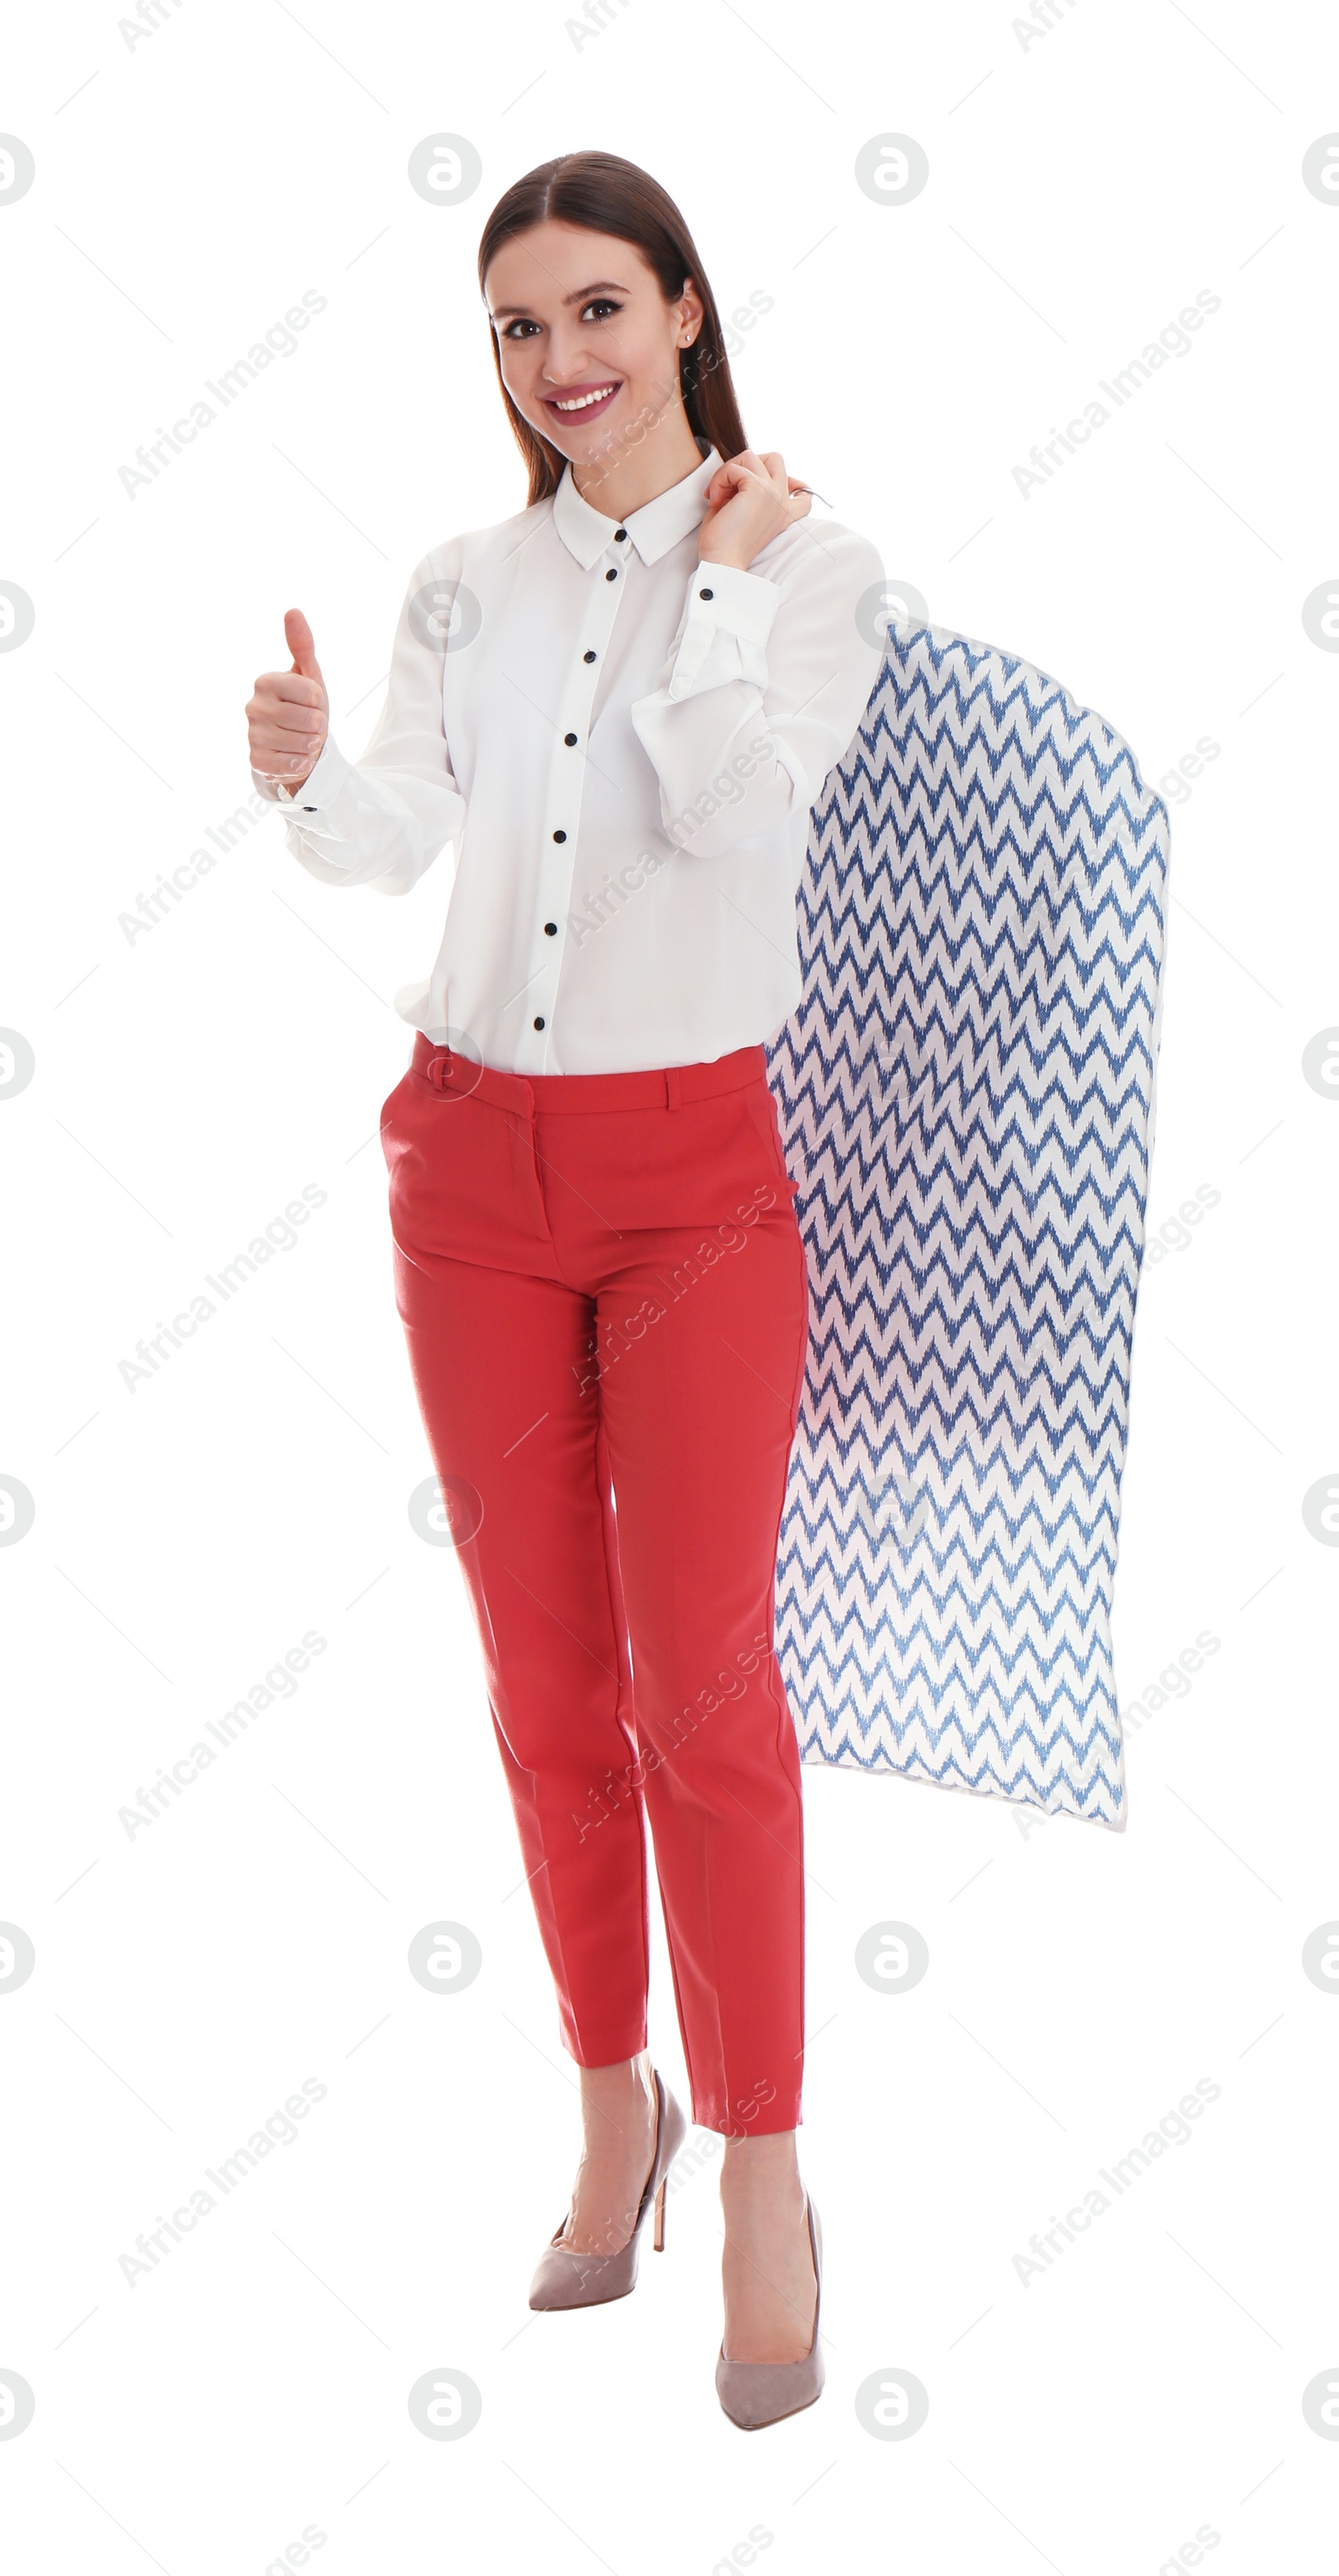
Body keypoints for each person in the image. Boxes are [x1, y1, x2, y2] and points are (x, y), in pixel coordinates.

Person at [244, 148, 884, 2428]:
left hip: (697, 1174)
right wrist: (312, 786)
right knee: (541, 1686)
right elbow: (401, 832)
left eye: (598, 307)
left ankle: (770, 2172)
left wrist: (713, 574)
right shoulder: (457, 581)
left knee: (706, 1697)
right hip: (469, 1171)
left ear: (689, 307)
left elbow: (731, 818)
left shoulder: (812, 572)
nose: (562, 359)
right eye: (518, 328)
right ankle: (614, 2110)